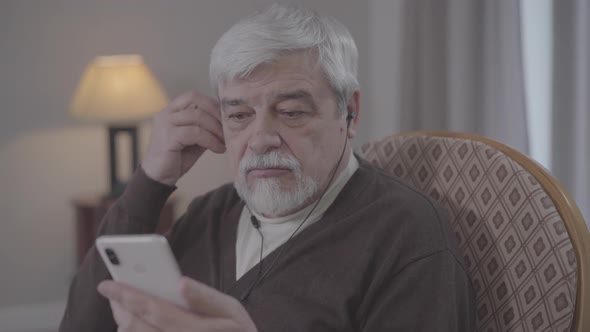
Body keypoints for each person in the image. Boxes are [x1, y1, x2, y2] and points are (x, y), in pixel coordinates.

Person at [59, 4, 474, 332]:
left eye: (291, 112)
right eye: (238, 115)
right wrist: (151, 180)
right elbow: (81, 325)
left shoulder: (407, 235)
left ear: (349, 112)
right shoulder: (211, 214)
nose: (260, 138)